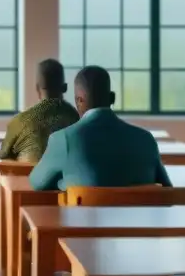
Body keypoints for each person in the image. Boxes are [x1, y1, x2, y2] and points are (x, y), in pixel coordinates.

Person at [29, 66, 171, 191]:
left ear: (78, 100)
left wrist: (62, 182)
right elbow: (167, 189)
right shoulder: (146, 140)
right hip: (139, 221)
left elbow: (36, 183)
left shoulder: (63, 140)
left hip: (79, 221)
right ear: (112, 98)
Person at [0, 58, 80, 162]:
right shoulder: (76, 119)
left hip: (27, 178)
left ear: (37, 88)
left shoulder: (19, 122)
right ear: (65, 88)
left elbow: (3, 156)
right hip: (67, 178)